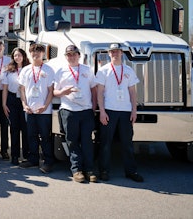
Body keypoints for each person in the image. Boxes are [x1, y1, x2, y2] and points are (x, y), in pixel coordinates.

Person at [95, 43, 143, 182]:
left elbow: (132, 92)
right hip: (109, 111)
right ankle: (103, 171)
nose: (115, 54)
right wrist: (102, 112)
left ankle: (131, 171)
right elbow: (99, 93)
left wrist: (134, 110)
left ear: (121, 53)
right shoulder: (103, 71)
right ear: (109, 54)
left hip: (125, 111)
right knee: (105, 143)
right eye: (112, 52)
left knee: (127, 143)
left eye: (117, 51)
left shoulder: (128, 70)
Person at [53, 45, 97, 183]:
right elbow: (54, 92)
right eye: (69, 55)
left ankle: (89, 170)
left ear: (79, 55)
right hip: (68, 110)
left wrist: (93, 108)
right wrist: (62, 93)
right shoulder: (61, 71)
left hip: (86, 111)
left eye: (74, 54)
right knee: (72, 141)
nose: (71, 57)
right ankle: (76, 170)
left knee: (87, 141)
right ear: (66, 57)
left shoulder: (87, 70)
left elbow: (94, 90)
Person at [18, 43, 55, 174]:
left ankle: (48, 162)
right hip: (29, 110)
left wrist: (45, 106)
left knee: (45, 137)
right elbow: (22, 89)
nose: (35, 54)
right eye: (33, 52)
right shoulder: (25, 70)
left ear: (43, 54)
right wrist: (24, 105)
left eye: (38, 52)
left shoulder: (49, 70)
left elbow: (51, 91)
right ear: (30, 54)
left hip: (44, 111)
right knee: (31, 136)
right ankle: (33, 159)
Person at [2, 47, 30, 165]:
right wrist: (4, 104)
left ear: (23, 56)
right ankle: (14, 155)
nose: (17, 57)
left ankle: (27, 155)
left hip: (25, 101)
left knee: (26, 129)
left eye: (19, 55)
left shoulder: (29, 69)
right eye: (15, 55)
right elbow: (5, 89)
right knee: (14, 129)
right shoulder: (9, 71)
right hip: (12, 100)